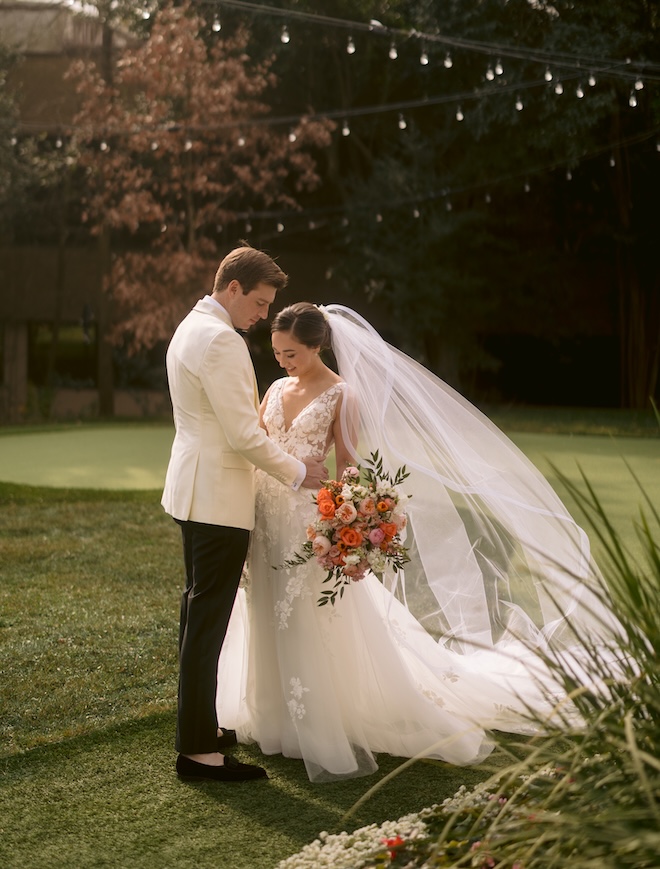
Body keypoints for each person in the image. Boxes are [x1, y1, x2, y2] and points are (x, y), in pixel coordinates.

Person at [216, 303, 624, 782]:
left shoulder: (342, 395)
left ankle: (319, 720)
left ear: (316, 345)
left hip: (307, 518)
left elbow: (347, 460)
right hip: (266, 512)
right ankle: (272, 714)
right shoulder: (277, 387)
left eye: (291, 353)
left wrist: (344, 518)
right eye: (278, 353)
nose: (283, 362)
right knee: (267, 606)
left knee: (308, 613)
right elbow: (260, 443)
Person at [161, 248, 327, 783]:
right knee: (206, 621)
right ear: (232, 287)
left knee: (197, 615)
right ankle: (198, 753)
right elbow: (243, 435)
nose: (261, 314)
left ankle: (200, 729)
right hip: (216, 497)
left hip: (192, 488)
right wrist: (300, 471)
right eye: (258, 302)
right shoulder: (220, 340)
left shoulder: (190, 326)